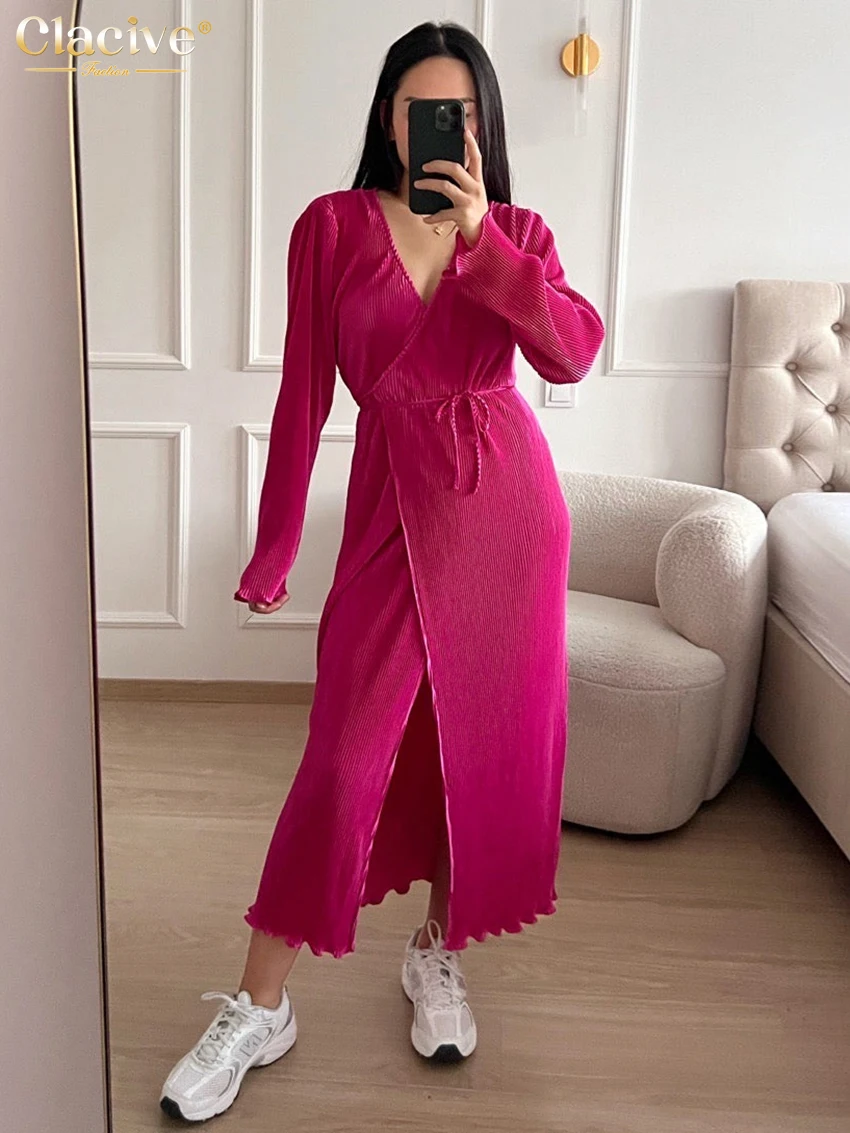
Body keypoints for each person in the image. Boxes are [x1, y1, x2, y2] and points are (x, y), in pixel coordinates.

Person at [160, 19, 605, 1123]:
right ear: (388, 117)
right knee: (343, 759)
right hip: (389, 511)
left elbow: (571, 352)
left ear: (485, 126)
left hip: (506, 516)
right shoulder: (331, 227)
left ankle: (436, 951)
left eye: (461, 111)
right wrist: (273, 544)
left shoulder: (518, 233)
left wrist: (482, 241)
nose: (441, 127)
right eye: (422, 107)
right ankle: (261, 1006)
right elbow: (303, 396)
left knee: (475, 746)